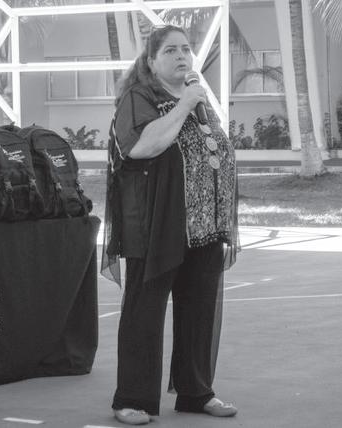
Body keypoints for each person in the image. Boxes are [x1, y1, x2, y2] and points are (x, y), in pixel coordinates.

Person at [101, 25, 240, 425]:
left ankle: (197, 392)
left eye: (186, 49)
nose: (182, 56)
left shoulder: (197, 98)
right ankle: (132, 400)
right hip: (156, 225)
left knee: (199, 310)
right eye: (171, 51)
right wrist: (184, 106)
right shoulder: (140, 97)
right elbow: (142, 146)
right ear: (151, 61)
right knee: (144, 314)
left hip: (204, 227)